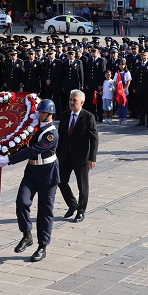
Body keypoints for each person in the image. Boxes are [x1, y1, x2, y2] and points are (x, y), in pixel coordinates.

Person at [0, 99, 60, 263]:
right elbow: (22, 143)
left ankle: (42, 246)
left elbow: (34, 149)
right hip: (32, 171)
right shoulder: (34, 128)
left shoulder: (52, 134)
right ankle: (27, 234)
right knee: (22, 202)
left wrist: (9, 159)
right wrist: (4, 148)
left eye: (42, 112)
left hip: (48, 174)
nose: (39, 114)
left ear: (50, 114)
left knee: (45, 212)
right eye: (39, 112)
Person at [57, 90, 98, 222]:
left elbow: (94, 139)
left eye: (75, 100)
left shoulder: (88, 117)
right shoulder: (64, 116)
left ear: (82, 102)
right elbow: (60, 137)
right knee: (60, 181)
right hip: (65, 156)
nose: (71, 103)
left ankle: (81, 211)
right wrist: (56, 155)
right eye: (70, 100)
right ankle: (73, 204)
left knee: (83, 186)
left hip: (81, 158)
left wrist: (92, 158)